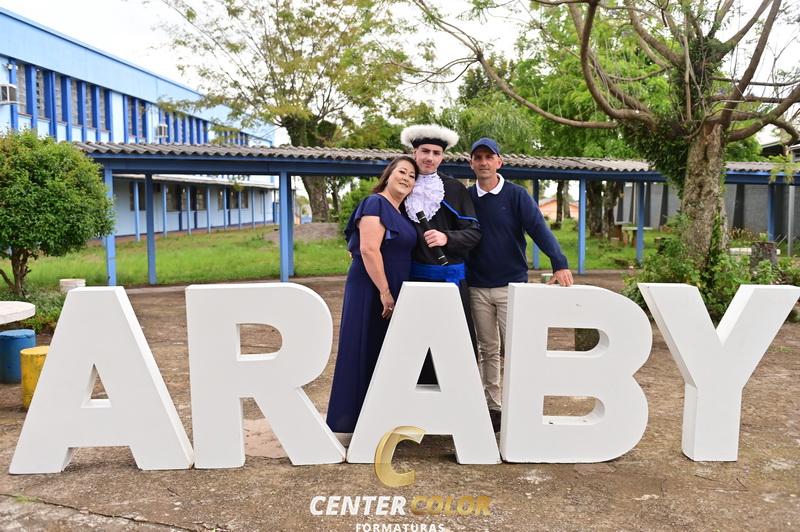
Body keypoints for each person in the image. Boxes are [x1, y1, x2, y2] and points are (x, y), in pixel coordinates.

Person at [466, 137, 574, 432]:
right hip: (477, 286)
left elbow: (538, 228)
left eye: (489, 157)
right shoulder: (467, 197)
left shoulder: (516, 195)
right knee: (487, 349)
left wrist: (559, 262)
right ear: (471, 163)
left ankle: (519, 405)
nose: (484, 162)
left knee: (516, 348)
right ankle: (493, 406)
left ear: (499, 162)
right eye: (478, 157)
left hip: (511, 285)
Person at [326, 156, 420, 443]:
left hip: (392, 290)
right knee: (363, 348)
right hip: (372, 289)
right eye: (402, 171)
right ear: (388, 175)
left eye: (412, 176)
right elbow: (368, 249)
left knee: (384, 354)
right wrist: (384, 290)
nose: (406, 178)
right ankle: (352, 422)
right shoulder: (375, 203)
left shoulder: (402, 212)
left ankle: (378, 420)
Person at [400, 124, 481, 384]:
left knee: (455, 344)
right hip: (413, 281)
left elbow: (474, 233)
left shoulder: (455, 189)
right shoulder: (402, 185)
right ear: (414, 153)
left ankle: (459, 394)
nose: (430, 157)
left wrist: (448, 238)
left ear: (442, 157)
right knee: (414, 345)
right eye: (425, 151)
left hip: (451, 282)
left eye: (436, 153)